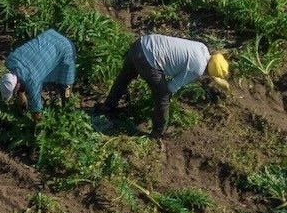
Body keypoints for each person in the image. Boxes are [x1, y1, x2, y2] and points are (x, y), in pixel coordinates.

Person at [97, 34, 229, 138]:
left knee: (125, 77)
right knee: (163, 96)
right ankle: (158, 132)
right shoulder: (198, 68)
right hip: (149, 59)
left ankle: (108, 106)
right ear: (208, 73)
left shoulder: (202, 48)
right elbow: (172, 87)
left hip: (141, 43)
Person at [0, 29, 77, 120]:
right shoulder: (10, 59)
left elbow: (37, 112)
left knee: (65, 86)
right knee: (28, 77)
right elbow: (21, 81)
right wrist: (22, 107)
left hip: (66, 48)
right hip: (49, 36)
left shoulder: (33, 81)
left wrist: (40, 127)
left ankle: (68, 114)